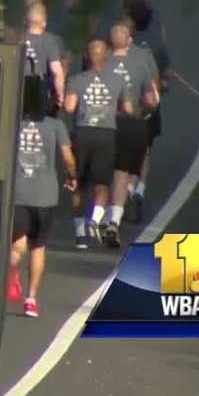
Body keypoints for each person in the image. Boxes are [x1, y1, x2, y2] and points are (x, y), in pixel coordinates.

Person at [8, 78, 77, 317]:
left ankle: (10, 268)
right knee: (38, 246)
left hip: (17, 194)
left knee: (17, 242)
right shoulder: (55, 126)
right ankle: (31, 299)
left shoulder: (11, 124)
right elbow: (67, 158)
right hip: (46, 196)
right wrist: (72, 176)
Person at [64, 39, 132, 249]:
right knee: (102, 183)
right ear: (107, 58)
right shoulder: (117, 81)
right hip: (106, 134)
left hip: (82, 133)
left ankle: (80, 234)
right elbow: (129, 109)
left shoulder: (77, 80)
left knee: (77, 183)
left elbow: (68, 107)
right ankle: (95, 218)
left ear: (87, 57)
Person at [103, 19, 160, 247]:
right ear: (128, 40)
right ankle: (114, 218)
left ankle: (98, 216)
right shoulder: (141, 60)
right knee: (123, 171)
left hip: (100, 124)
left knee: (104, 171)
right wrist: (148, 111)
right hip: (130, 122)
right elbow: (151, 99)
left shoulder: (100, 59)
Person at [125, 0, 174, 223]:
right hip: (148, 107)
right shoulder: (157, 44)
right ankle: (139, 190)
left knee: (123, 151)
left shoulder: (120, 45)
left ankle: (126, 189)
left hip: (124, 108)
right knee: (144, 150)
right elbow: (165, 77)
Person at [24, 1, 66, 114]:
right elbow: (56, 71)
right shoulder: (50, 41)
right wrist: (60, 94)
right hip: (39, 89)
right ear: (44, 23)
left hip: (18, 87)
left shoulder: (18, 38)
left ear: (26, 21)